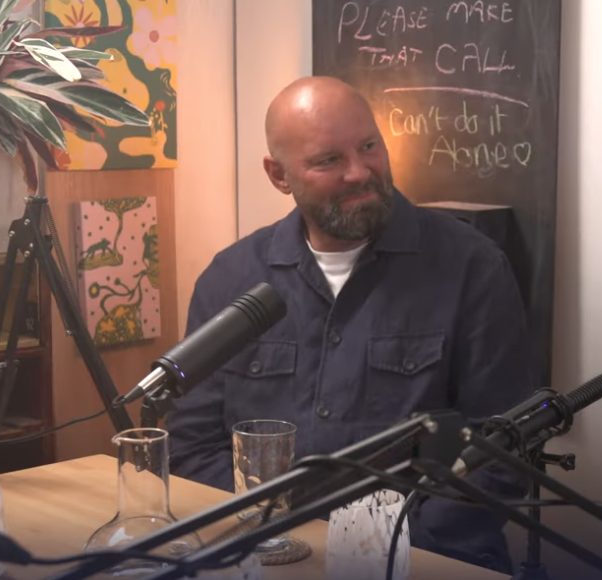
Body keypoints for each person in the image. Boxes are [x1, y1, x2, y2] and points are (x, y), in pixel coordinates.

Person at [165, 76, 534, 573]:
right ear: (279, 176)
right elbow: (193, 447)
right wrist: (281, 541)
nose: (359, 172)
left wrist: (383, 552)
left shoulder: (472, 268)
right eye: (329, 160)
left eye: (369, 147)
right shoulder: (231, 279)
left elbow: (501, 448)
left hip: (423, 561)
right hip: (267, 557)